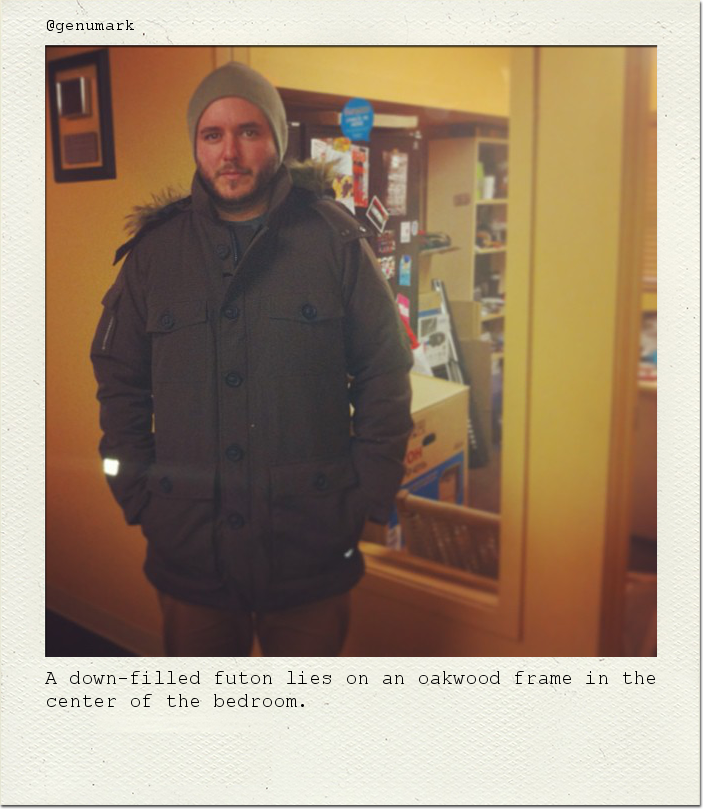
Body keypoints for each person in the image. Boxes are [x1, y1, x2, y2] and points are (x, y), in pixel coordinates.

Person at [90, 62, 413, 657]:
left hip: (311, 550)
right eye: (212, 135)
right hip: (188, 553)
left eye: (249, 131)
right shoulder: (153, 258)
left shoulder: (336, 244)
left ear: (277, 141)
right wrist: (134, 492)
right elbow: (118, 382)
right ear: (196, 145)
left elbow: (385, 374)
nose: (230, 151)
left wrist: (369, 495)